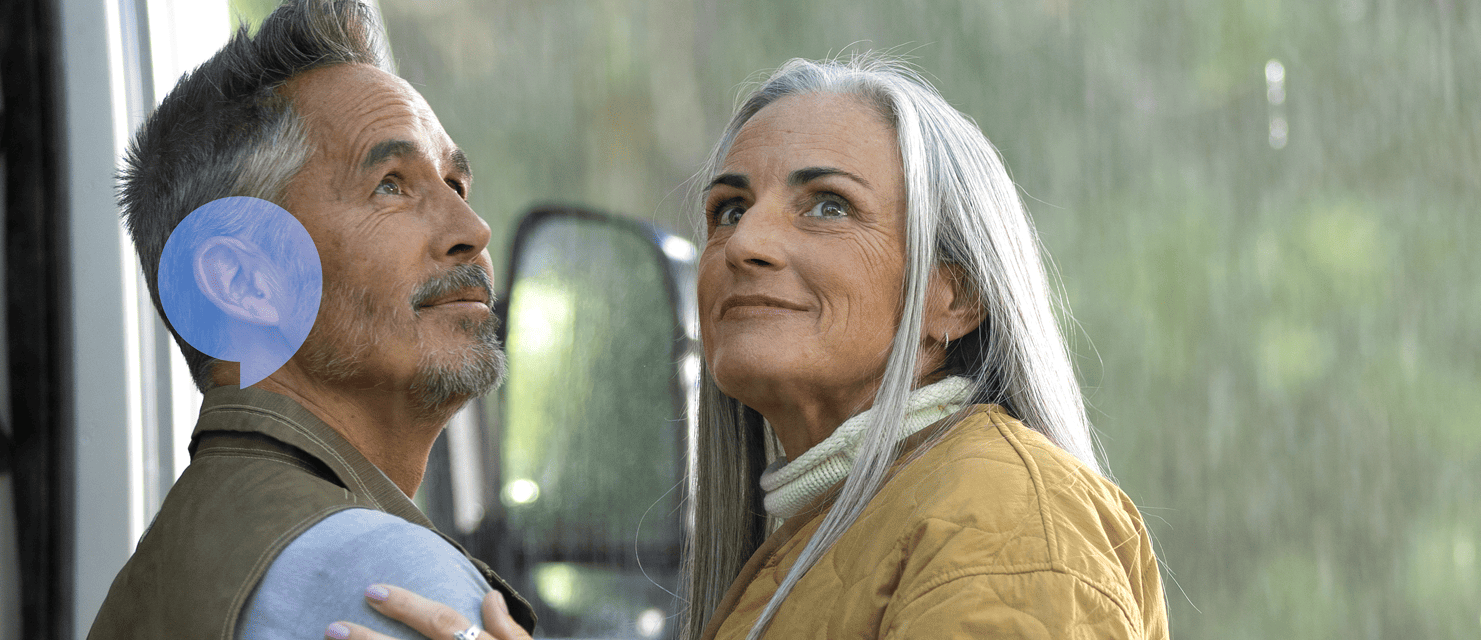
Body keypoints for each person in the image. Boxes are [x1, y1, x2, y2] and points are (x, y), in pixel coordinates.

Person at [341, 54, 1167, 640]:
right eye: (729, 210)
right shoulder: (818, 540)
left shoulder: (1007, 521)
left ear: (955, 296)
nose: (745, 245)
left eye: (828, 207)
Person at [88, 1, 535, 639]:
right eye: (391, 184)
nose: (473, 230)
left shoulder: (158, 572)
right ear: (243, 281)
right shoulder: (393, 581)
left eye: (455, 185)